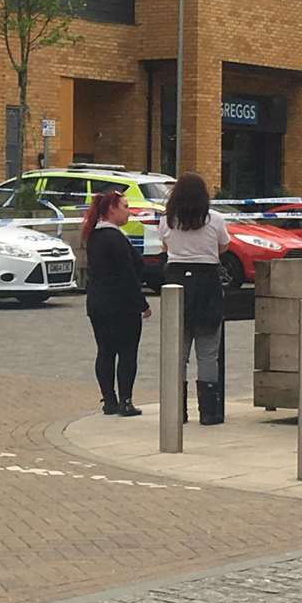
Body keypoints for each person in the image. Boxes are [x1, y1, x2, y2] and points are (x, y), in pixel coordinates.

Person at [158, 172, 230, 425]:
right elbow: (224, 247)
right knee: (208, 352)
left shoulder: (167, 221)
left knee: (178, 351)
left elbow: (166, 248)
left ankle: (177, 410)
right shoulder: (216, 220)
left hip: (176, 282)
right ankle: (209, 411)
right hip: (207, 283)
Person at [82, 189, 149, 418]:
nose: (129, 212)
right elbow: (128, 274)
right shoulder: (116, 238)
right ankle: (126, 401)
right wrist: (142, 303)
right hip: (121, 305)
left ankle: (109, 400)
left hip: (97, 304)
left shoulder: (94, 236)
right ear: (112, 209)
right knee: (127, 352)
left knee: (105, 351)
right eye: (125, 207)